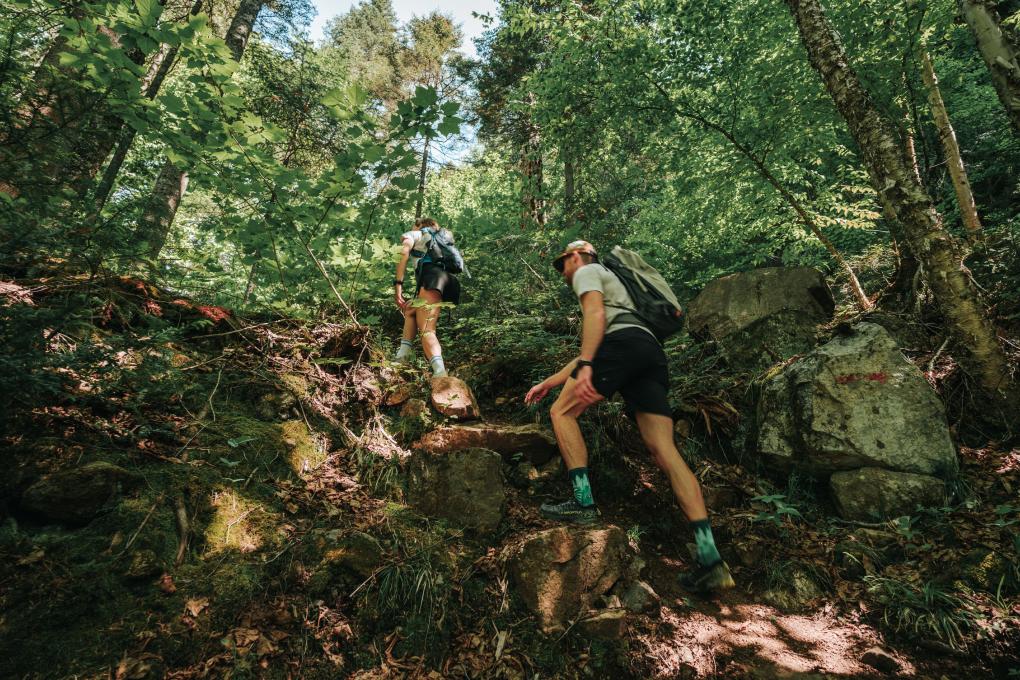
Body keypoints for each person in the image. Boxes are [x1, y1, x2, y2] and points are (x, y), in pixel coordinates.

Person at [524, 240, 735, 593]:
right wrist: (553, 379)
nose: (563, 274)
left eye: (563, 266)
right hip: (649, 352)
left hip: (620, 347)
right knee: (664, 450)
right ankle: (711, 558)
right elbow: (612, 333)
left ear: (575, 256)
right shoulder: (619, 285)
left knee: (561, 412)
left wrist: (589, 364)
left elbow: (597, 320)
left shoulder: (588, 271)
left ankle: (583, 503)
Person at [393, 218, 461, 377]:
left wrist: (398, 285)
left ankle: (440, 372)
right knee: (411, 310)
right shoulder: (442, 238)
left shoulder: (416, 233)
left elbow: (403, 252)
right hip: (448, 282)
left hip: (432, 278)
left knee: (427, 330)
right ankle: (402, 357)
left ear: (419, 225)